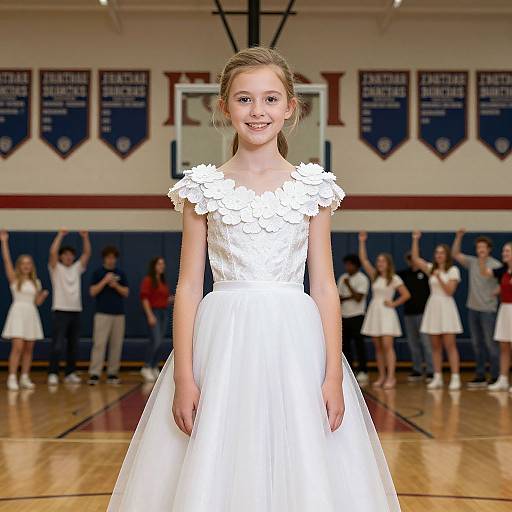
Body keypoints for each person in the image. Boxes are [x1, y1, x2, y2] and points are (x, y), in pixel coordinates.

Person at [107, 47, 401, 511]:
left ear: (290, 108)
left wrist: (332, 375)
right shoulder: (202, 187)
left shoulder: (313, 187)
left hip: (295, 341)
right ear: (225, 108)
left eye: (270, 99)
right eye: (244, 99)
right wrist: (184, 376)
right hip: (221, 341)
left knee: (300, 459)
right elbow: (188, 287)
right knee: (219, 457)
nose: (257, 111)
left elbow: (323, 286)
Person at [359, 232, 411, 390]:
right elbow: (364, 260)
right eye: (379, 261)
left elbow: (406, 294)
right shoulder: (374, 276)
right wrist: (362, 241)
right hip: (375, 312)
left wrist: (394, 303)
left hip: (387, 313)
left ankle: (391, 377)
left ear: (388, 263)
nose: (380, 263)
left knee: (388, 346)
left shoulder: (394, 278)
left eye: (383, 261)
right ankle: (381, 376)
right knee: (378, 347)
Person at [411, 231, 463, 391]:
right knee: (435, 346)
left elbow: (449, 291)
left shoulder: (453, 270)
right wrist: (415, 239)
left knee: (450, 345)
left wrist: (439, 276)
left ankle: (455, 377)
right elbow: (415, 259)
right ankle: (437, 376)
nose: (439, 255)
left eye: (442, 253)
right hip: (433, 306)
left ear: (447, 255)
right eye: (437, 253)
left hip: (446, 307)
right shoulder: (430, 268)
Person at [452, 229, 502, 388]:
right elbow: (455, 254)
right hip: (473, 309)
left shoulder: (495, 265)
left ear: (488, 249)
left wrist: (498, 291)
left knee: (490, 344)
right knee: (477, 344)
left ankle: (495, 376)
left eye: (483, 247)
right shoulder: (472, 262)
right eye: (478, 247)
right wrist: (459, 237)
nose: (480, 250)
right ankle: (480, 375)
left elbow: (503, 281)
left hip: (488, 310)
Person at [1, 230, 48, 391]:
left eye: (29, 263)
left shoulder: (37, 282)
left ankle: (25, 377)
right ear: (19, 266)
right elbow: (6, 261)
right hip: (18, 313)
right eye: (23, 263)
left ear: (32, 266)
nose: (26, 266)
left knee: (29, 348)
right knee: (17, 348)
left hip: (31, 314)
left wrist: (42, 296)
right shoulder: (14, 279)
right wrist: (4, 241)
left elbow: (37, 303)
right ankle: (12, 377)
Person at [47, 229, 91, 385]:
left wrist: (85, 237)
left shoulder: (76, 268)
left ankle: (70, 372)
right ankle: (53, 372)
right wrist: (60, 234)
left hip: (75, 311)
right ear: (61, 257)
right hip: (60, 311)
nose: (68, 257)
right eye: (65, 254)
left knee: (73, 345)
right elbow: (52, 252)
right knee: (57, 344)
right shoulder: (56, 269)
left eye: (71, 254)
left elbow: (86, 254)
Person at [87, 245, 129, 385]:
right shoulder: (98, 273)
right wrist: (105, 281)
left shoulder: (120, 273)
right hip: (102, 314)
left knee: (116, 345)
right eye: (108, 257)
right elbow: (92, 292)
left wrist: (115, 285)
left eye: (113, 257)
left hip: (118, 314)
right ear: (104, 258)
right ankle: (94, 373)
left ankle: (112, 373)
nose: (111, 260)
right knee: (99, 344)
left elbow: (126, 292)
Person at [479, 242, 512, 392]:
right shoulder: (503, 270)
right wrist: (482, 257)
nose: (504, 253)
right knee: (504, 346)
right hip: (504, 309)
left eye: (508, 251)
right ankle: (503, 379)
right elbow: (485, 272)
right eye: (504, 251)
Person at [398, 251, 434, 381]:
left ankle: (431, 370)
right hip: (409, 313)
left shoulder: (426, 274)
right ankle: (417, 369)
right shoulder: (404, 274)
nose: (412, 262)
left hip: (424, 313)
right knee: (413, 343)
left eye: (414, 259)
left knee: (426, 343)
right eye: (410, 260)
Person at [140, 256, 174, 382]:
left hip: (163, 313)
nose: (162, 266)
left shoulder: (162, 281)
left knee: (160, 342)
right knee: (156, 341)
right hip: (154, 312)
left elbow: (162, 298)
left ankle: (154, 366)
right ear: (154, 265)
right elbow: (144, 298)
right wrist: (150, 315)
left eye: (163, 264)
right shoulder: (148, 280)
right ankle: (146, 366)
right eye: (159, 264)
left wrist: (171, 299)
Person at [337, 254, 370, 384]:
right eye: (346, 264)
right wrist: (349, 295)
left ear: (356, 265)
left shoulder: (362, 279)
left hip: (357, 315)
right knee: (346, 346)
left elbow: (358, 298)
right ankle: (349, 370)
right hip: (344, 316)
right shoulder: (343, 277)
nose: (347, 267)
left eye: (350, 264)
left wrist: (349, 286)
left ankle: (363, 370)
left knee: (359, 345)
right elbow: (339, 297)